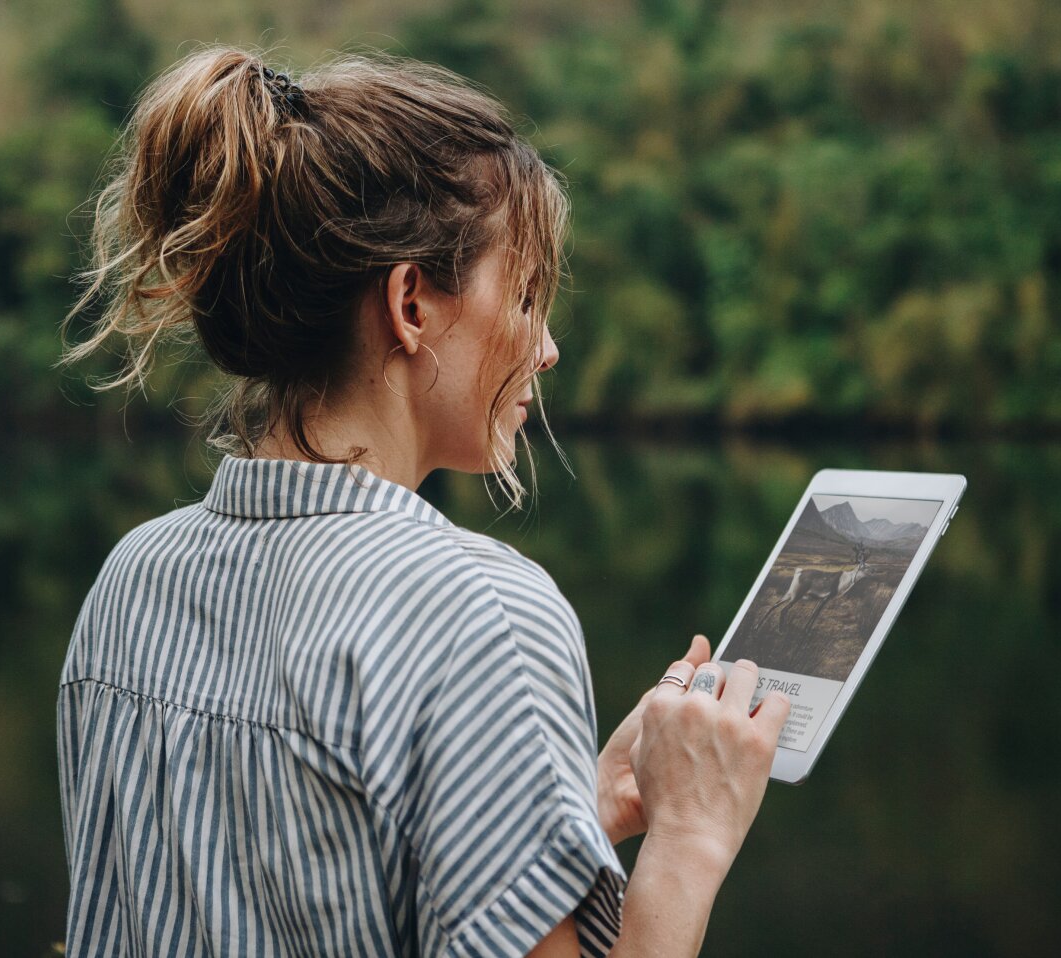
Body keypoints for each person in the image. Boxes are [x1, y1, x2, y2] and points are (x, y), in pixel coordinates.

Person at [56, 45, 791, 957]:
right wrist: (690, 839)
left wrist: (578, 813)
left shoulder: (132, 581)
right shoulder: (482, 615)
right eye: (524, 295)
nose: (547, 347)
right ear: (410, 304)